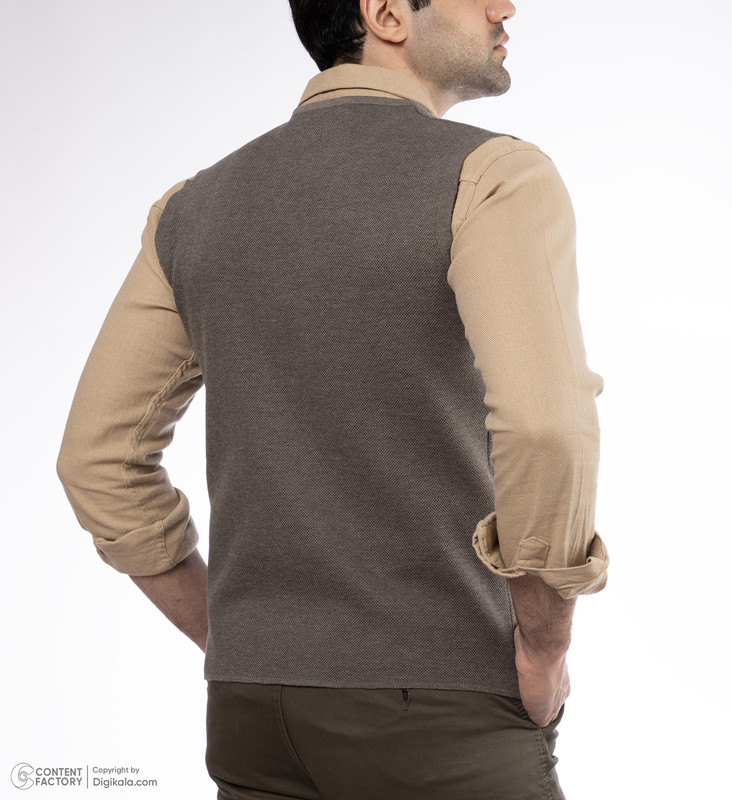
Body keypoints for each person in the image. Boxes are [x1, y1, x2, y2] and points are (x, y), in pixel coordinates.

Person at [57, 1, 609, 797]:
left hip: (253, 722)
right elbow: (547, 426)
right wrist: (544, 647)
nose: (504, 6)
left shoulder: (192, 210)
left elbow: (97, 460)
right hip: (439, 716)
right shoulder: (492, 177)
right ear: (385, 14)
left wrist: (235, 638)